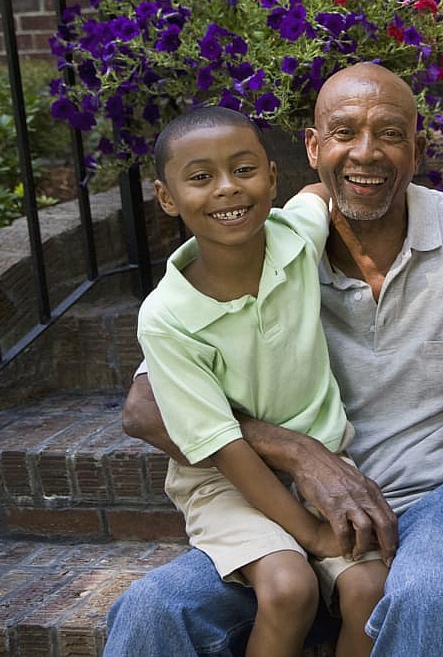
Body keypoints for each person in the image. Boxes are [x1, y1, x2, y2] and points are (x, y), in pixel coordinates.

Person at [107, 63, 443, 656]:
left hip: (433, 499)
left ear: (418, 147)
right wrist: (299, 452)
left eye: (388, 133)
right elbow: (146, 409)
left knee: (426, 591)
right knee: (155, 608)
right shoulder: (258, 250)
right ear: (312, 146)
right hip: (282, 505)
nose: (366, 154)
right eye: (343, 132)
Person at [140, 105, 386, 657]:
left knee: (370, 588)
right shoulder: (168, 317)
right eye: (201, 178)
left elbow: (320, 193)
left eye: (244, 169)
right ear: (167, 197)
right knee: (288, 586)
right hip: (223, 483)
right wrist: (311, 534)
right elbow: (223, 446)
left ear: (272, 177)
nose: (228, 189)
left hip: (326, 466)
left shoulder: (295, 236)